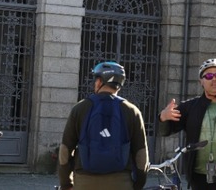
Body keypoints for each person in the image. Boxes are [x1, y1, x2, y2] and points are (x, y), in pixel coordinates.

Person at [58, 61, 149, 190]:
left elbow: (65, 151)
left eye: (96, 79)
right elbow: (141, 155)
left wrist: (66, 183)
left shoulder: (80, 109)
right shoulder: (132, 111)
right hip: (120, 182)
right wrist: (138, 184)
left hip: (85, 181)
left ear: (100, 81)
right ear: (119, 85)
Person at [158, 58, 216, 190]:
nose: (214, 79)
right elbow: (165, 131)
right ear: (201, 81)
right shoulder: (190, 107)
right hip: (198, 176)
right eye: (209, 76)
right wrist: (163, 117)